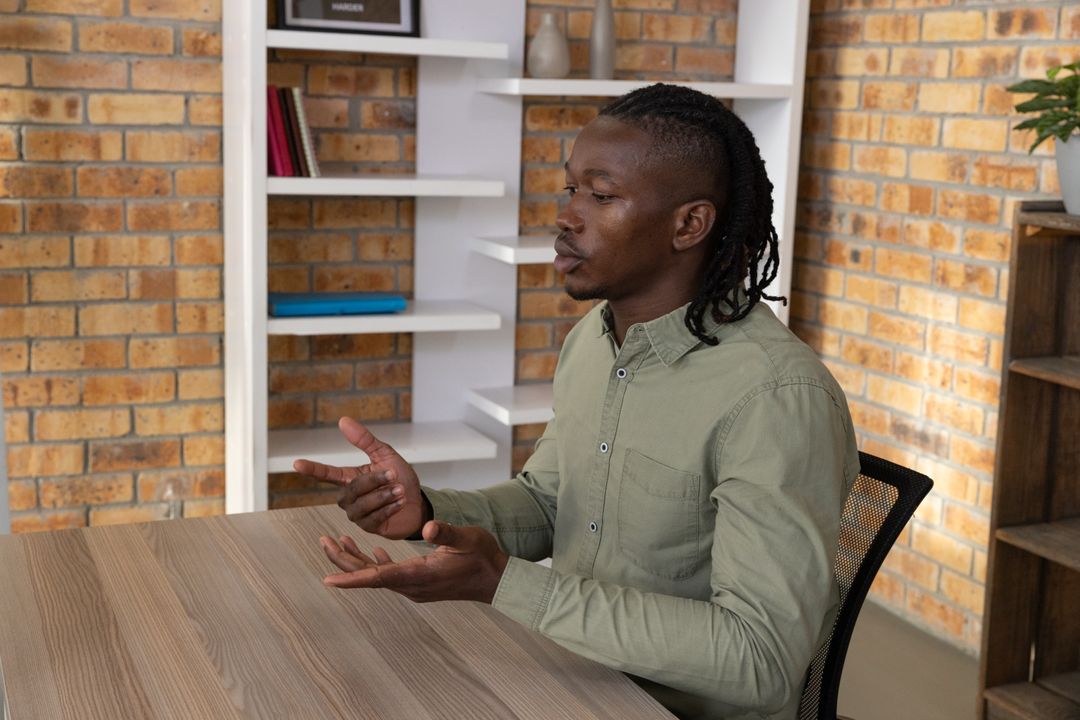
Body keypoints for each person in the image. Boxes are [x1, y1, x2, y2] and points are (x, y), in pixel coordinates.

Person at [293, 83, 859, 720]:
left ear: (689, 224)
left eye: (601, 194)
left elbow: (763, 660)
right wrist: (424, 511)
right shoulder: (594, 340)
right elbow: (551, 501)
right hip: (573, 675)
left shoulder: (776, 398)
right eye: (570, 190)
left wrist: (509, 583)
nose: (566, 215)